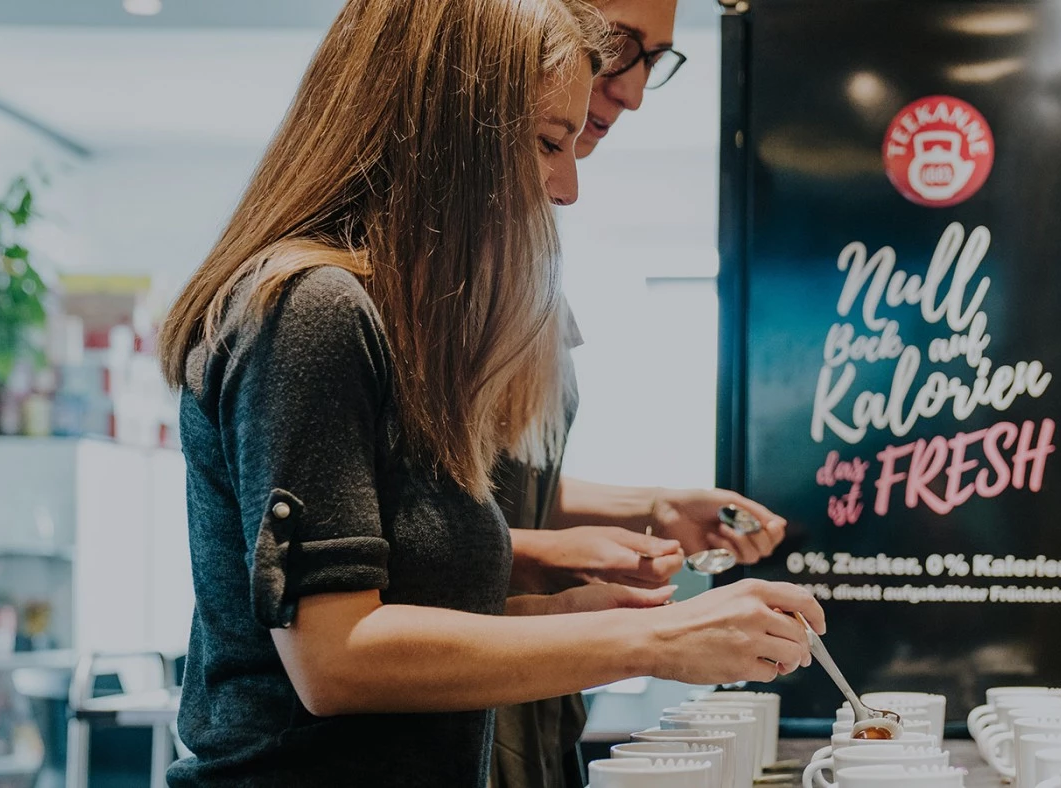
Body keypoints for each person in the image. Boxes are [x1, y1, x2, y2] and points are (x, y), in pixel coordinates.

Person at [157, 0, 824, 784]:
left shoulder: (380, 317)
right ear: (446, 128)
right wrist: (658, 640)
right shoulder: (315, 310)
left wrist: (560, 616)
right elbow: (336, 661)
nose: (568, 187)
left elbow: (406, 619)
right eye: (548, 143)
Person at [487, 2, 792, 787]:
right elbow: (350, 623)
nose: (633, 92)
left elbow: (487, 487)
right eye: (619, 47)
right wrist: (646, 635)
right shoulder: (331, 304)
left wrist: (646, 508)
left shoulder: (514, 261)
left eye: (654, 60)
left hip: (513, 716)